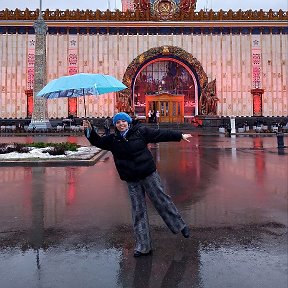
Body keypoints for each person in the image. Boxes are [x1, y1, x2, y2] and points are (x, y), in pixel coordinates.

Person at [83, 112, 192, 257]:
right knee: (138, 210)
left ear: (128, 122)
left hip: (148, 174)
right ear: (115, 125)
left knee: (161, 200)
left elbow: (160, 134)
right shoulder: (113, 139)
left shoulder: (140, 131)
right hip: (131, 178)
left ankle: (180, 225)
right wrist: (88, 130)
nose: (121, 124)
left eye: (123, 121)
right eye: (118, 122)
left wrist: (179, 136)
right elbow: (98, 142)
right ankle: (143, 246)